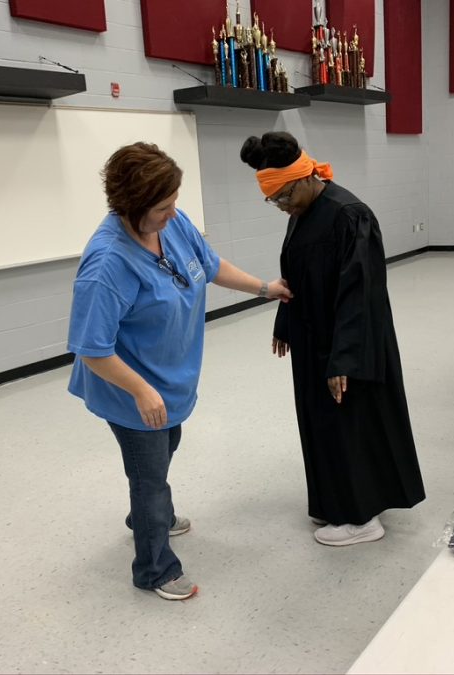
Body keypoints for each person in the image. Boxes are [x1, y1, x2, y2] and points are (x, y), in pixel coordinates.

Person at [67, 142, 291, 600]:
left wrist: (264, 288)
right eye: (162, 208)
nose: (172, 214)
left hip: (169, 379)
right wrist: (142, 391)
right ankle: (154, 569)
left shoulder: (171, 223)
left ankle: (153, 515)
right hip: (129, 388)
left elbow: (207, 266)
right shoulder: (107, 264)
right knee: (149, 477)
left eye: (173, 203)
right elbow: (92, 349)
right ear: (130, 205)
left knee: (168, 444)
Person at [239, 131, 425, 546]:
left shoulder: (349, 214)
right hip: (312, 340)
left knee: (349, 424)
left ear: (306, 178)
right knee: (320, 423)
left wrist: (343, 358)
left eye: (284, 196)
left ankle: (361, 518)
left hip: (348, 343)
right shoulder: (302, 212)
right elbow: (295, 276)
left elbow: (362, 293)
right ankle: (333, 502)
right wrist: (284, 323)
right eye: (275, 201)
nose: (282, 207)